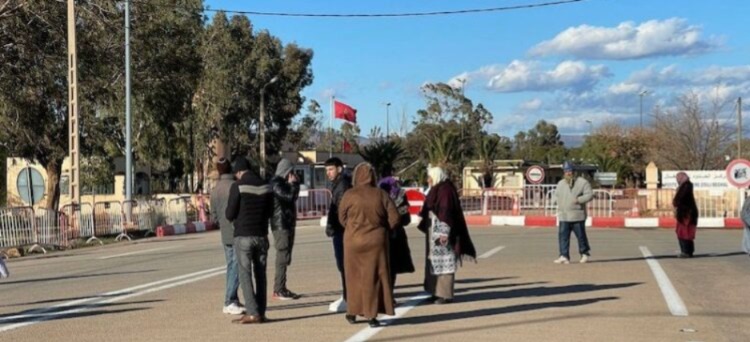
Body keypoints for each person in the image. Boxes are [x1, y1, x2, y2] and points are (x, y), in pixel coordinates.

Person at [338, 162, 400, 327]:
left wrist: (353, 228)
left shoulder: (349, 194)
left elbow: (342, 218)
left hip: (352, 241)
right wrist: (382, 229)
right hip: (376, 242)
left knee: (353, 278)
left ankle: (352, 311)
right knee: (373, 278)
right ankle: (371, 315)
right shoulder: (381, 194)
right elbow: (394, 218)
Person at [417, 166, 477, 304]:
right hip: (433, 230)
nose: (428, 180)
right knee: (432, 260)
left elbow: (447, 212)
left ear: (436, 176)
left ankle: (444, 294)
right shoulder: (435, 189)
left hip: (443, 232)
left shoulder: (446, 190)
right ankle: (434, 291)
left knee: (444, 262)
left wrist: (444, 232)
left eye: (430, 177)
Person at [226, 156, 274, 324]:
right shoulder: (267, 186)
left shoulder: (237, 186)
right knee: (261, 275)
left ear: (239, 172)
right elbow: (270, 212)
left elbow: (229, 213)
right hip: (261, 235)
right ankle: (261, 311)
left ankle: (253, 312)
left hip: (243, 236)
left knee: (245, 274)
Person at [209, 158, 244, 315]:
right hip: (237, 230)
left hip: (224, 232)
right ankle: (229, 300)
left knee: (231, 266)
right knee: (236, 267)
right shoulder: (235, 186)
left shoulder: (215, 189)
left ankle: (233, 299)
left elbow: (213, 217)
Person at [378, 171, 415, 297]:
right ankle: (389, 294)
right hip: (396, 236)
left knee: (380, 266)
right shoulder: (400, 195)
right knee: (392, 268)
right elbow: (406, 220)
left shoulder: (376, 196)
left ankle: (382, 294)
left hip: (379, 236)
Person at [270, 159, 301, 300]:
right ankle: (278, 289)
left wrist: (294, 184)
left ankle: (282, 286)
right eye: (291, 172)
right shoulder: (276, 183)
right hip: (280, 225)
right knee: (282, 256)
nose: (293, 174)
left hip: (287, 223)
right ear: (286, 171)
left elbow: (292, 197)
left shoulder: (284, 184)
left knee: (286, 256)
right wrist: (294, 184)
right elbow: (289, 197)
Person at [324, 157, 351, 312]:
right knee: (343, 265)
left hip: (342, 232)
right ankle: (347, 294)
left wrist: (332, 226)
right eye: (327, 170)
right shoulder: (338, 184)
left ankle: (349, 297)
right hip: (339, 231)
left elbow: (339, 211)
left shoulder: (342, 185)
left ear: (339, 169)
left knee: (345, 265)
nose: (328, 173)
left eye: (331, 169)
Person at [554, 161, 594, 264]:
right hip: (564, 215)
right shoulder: (561, 183)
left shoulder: (582, 182)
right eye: (566, 171)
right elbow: (556, 195)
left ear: (574, 171)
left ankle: (584, 253)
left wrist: (579, 200)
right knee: (563, 237)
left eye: (570, 170)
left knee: (581, 236)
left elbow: (589, 195)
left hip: (577, 215)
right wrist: (555, 202)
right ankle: (564, 255)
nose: (568, 173)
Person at [673, 172, 698, 258]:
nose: (677, 179)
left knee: (685, 231)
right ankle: (687, 251)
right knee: (683, 231)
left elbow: (679, 198)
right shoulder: (685, 185)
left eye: (678, 177)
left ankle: (686, 251)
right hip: (685, 212)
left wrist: (675, 202)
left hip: (686, 212)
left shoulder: (686, 185)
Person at [741, 187, 750, 257]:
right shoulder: (748, 199)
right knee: (747, 234)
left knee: (747, 234)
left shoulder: (748, 199)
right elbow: (744, 212)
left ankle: (747, 249)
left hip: (746, 218)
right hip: (747, 218)